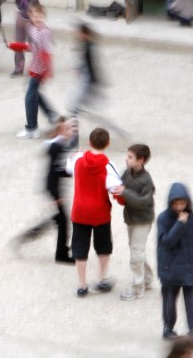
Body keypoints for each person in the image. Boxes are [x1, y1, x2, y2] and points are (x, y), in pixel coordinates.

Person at [11, 117, 76, 263]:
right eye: (68, 129)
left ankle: (28, 237)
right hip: (53, 189)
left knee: (57, 220)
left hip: (51, 188)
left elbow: (57, 170)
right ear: (60, 132)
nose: (71, 131)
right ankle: (61, 254)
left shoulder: (57, 145)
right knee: (62, 221)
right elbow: (56, 171)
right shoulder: (57, 147)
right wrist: (57, 194)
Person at [68, 127, 121, 297]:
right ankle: (100, 279)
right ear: (108, 144)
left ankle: (82, 284)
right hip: (100, 213)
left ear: (89, 142)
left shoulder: (77, 159)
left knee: (79, 247)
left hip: (80, 211)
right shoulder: (108, 166)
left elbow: (68, 168)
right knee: (103, 246)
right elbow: (116, 189)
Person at [157, 182, 193, 340]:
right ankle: (168, 328)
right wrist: (179, 224)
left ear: (187, 202)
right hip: (170, 269)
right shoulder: (163, 219)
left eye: (182, 203)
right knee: (169, 301)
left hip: (189, 268)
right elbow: (167, 242)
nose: (179, 207)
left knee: (191, 301)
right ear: (170, 203)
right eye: (176, 203)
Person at [111, 144, 155, 301]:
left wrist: (125, 192)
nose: (126, 159)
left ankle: (137, 288)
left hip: (143, 221)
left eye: (130, 157)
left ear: (141, 160)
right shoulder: (128, 172)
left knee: (136, 253)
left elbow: (143, 202)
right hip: (131, 218)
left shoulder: (146, 180)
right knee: (137, 250)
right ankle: (147, 279)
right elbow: (121, 185)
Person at [9, 2, 58, 139]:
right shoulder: (31, 28)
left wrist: (48, 70)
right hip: (34, 66)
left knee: (30, 96)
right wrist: (16, 46)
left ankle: (32, 128)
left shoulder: (45, 32)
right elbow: (32, 47)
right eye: (34, 15)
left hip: (40, 68)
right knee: (34, 92)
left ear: (44, 17)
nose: (37, 18)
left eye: (40, 16)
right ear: (30, 16)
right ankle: (52, 115)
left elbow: (47, 52)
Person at [12, 0, 41, 78]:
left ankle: (36, 68)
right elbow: (17, 1)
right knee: (19, 43)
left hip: (31, 18)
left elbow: (33, 1)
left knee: (34, 44)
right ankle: (18, 68)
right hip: (20, 15)